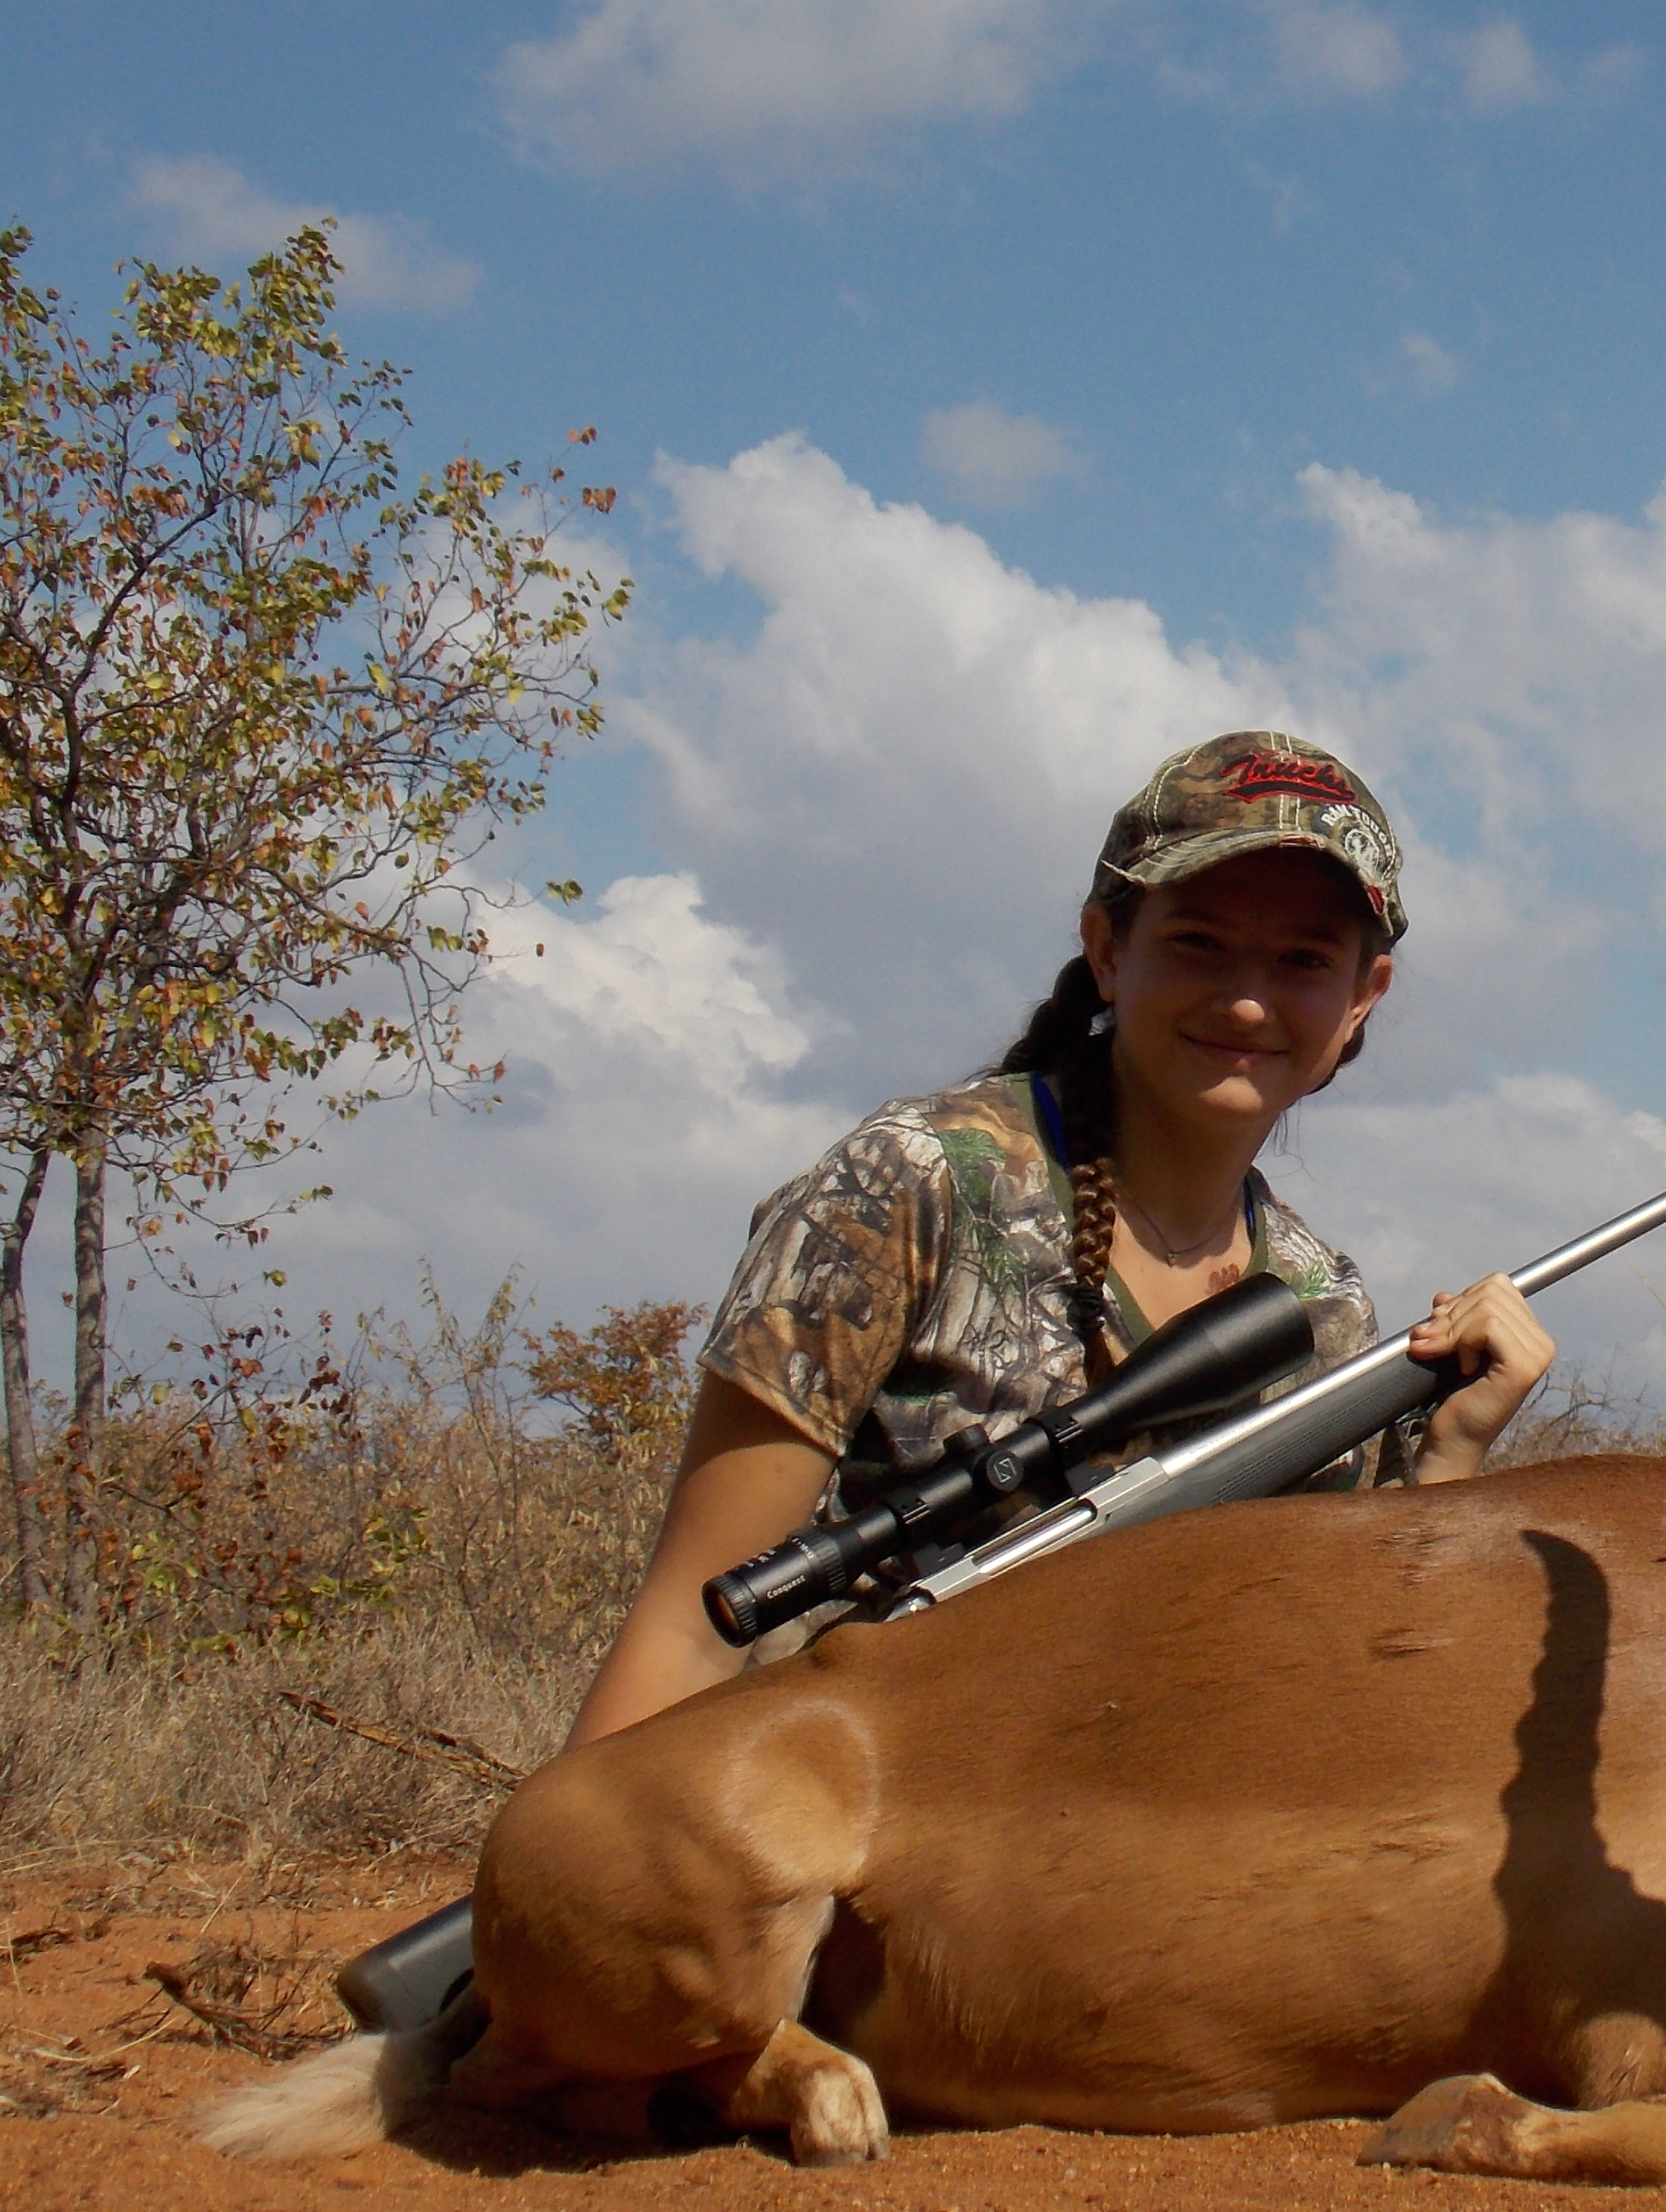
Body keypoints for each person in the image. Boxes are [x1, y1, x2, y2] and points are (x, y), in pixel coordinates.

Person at [566, 731, 1554, 1747]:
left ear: (1362, 999)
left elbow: (1337, 1698)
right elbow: (693, 1631)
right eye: (1198, 944)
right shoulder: (912, 1181)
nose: (1249, 1000)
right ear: (1107, 948)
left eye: (1303, 961)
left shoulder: (1326, 1313)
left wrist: (1448, 1456)